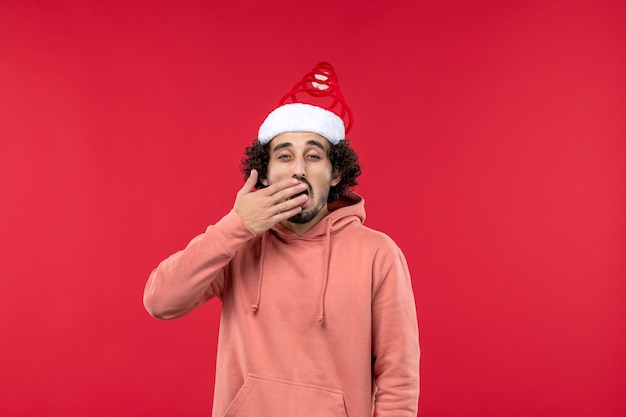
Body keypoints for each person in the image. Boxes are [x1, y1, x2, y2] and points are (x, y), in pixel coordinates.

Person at [143, 62, 420, 416]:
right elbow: (160, 301)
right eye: (284, 156)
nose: (298, 170)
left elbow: (398, 375)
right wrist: (236, 225)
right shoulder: (237, 244)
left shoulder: (378, 254)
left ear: (335, 173)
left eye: (313, 156)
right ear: (266, 172)